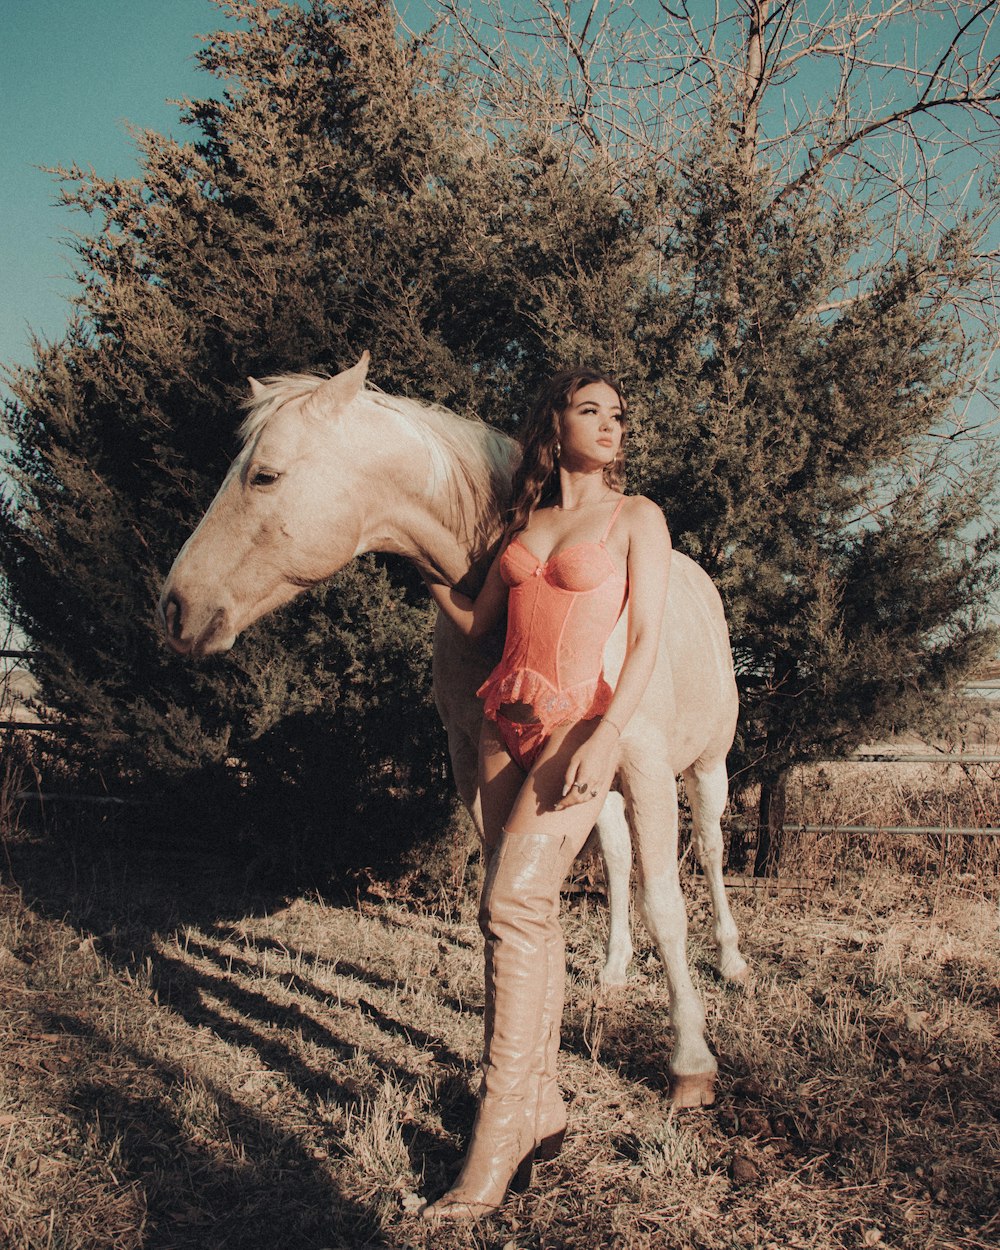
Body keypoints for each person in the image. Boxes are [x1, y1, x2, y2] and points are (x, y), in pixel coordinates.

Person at [421, 366, 672, 1220]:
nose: (611, 426)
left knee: (510, 903)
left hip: (573, 728)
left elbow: (642, 647)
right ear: (553, 422)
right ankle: (542, 1102)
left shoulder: (637, 519)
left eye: (619, 415)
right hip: (502, 727)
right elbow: (479, 624)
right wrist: (412, 556)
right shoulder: (525, 524)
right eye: (591, 410)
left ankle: (498, 1134)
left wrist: (607, 739)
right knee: (523, 916)